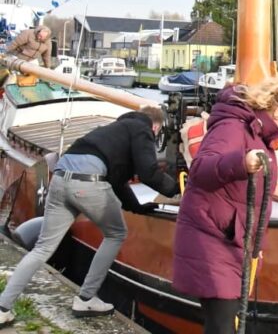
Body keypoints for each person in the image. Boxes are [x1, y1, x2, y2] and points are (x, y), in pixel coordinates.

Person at [0, 105, 177, 323]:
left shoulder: (112, 130)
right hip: (87, 183)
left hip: (60, 179)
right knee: (116, 234)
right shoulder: (143, 129)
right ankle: (86, 298)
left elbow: (117, 182)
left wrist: (136, 207)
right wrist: (177, 188)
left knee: (43, 248)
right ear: (156, 125)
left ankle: (3, 307)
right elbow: (148, 172)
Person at [172, 76, 278, 334]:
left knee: (223, 323)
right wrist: (241, 162)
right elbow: (201, 168)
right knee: (222, 324)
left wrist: (256, 241)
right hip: (211, 236)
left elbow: (255, 201)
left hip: (231, 241)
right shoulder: (233, 127)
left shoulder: (260, 136)